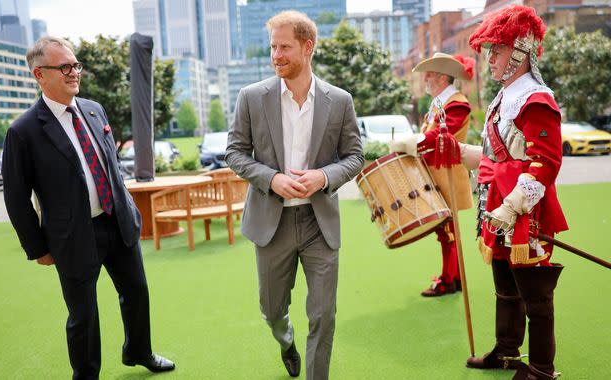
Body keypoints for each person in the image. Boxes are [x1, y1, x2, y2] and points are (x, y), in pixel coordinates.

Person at [393, 5, 568, 380]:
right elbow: (492, 157)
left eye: (498, 50)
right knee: (505, 287)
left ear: (520, 53)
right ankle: (507, 352)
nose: (489, 58)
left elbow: (546, 164)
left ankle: (540, 370)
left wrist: (513, 205)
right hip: (498, 208)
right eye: (489, 50)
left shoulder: (536, 98)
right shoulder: (504, 98)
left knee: (536, 297)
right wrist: (454, 151)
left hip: (525, 213)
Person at [2, 36, 175, 379]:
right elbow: (16, 197)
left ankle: (139, 351)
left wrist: (129, 210)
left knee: (137, 293)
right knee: (83, 315)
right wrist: (37, 247)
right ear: (40, 74)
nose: (74, 72)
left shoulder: (95, 110)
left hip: (117, 222)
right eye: (64, 67)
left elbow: (111, 165)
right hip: (72, 236)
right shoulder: (23, 131)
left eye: (75, 64)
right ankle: (86, 375)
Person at [226, 11, 364, 380]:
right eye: (273, 47)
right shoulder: (251, 97)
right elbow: (235, 153)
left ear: (307, 47)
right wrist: (271, 179)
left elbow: (355, 157)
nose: (276, 55)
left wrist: (323, 176)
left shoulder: (340, 100)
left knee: (323, 315)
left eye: (284, 46)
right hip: (273, 223)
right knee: (272, 309)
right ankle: (286, 340)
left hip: (320, 223)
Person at [389, 53, 475, 297]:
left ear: (441, 77)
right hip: (436, 175)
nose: (425, 78)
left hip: (447, 174)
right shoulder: (439, 104)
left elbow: (440, 136)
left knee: (448, 231)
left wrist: (411, 141)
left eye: (429, 74)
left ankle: (449, 280)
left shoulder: (457, 103)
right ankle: (454, 277)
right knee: (445, 230)